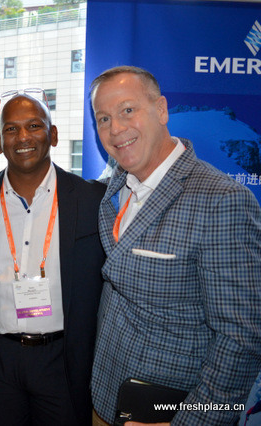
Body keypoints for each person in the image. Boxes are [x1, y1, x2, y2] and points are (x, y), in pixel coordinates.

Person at [89, 65, 261, 425]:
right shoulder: (115, 187)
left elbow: (243, 338)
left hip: (164, 410)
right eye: (103, 119)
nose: (115, 128)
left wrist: (190, 422)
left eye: (127, 110)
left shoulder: (221, 200)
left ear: (162, 110)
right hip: (104, 395)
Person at [0, 92, 106, 425]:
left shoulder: (91, 199)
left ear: (53, 135)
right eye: (11, 129)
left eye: (34, 126)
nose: (23, 137)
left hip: (64, 362)